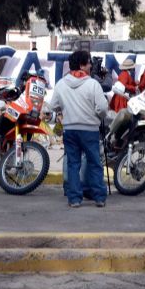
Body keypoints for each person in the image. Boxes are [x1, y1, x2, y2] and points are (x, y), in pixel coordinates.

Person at [49, 50, 109, 208]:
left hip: (70, 129)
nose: (91, 65)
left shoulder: (61, 84)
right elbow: (102, 108)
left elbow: (54, 105)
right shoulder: (92, 84)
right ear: (82, 65)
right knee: (94, 163)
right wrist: (98, 116)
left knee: (73, 164)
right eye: (89, 62)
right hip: (90, 129)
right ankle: (99, 197)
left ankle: (74, 198)